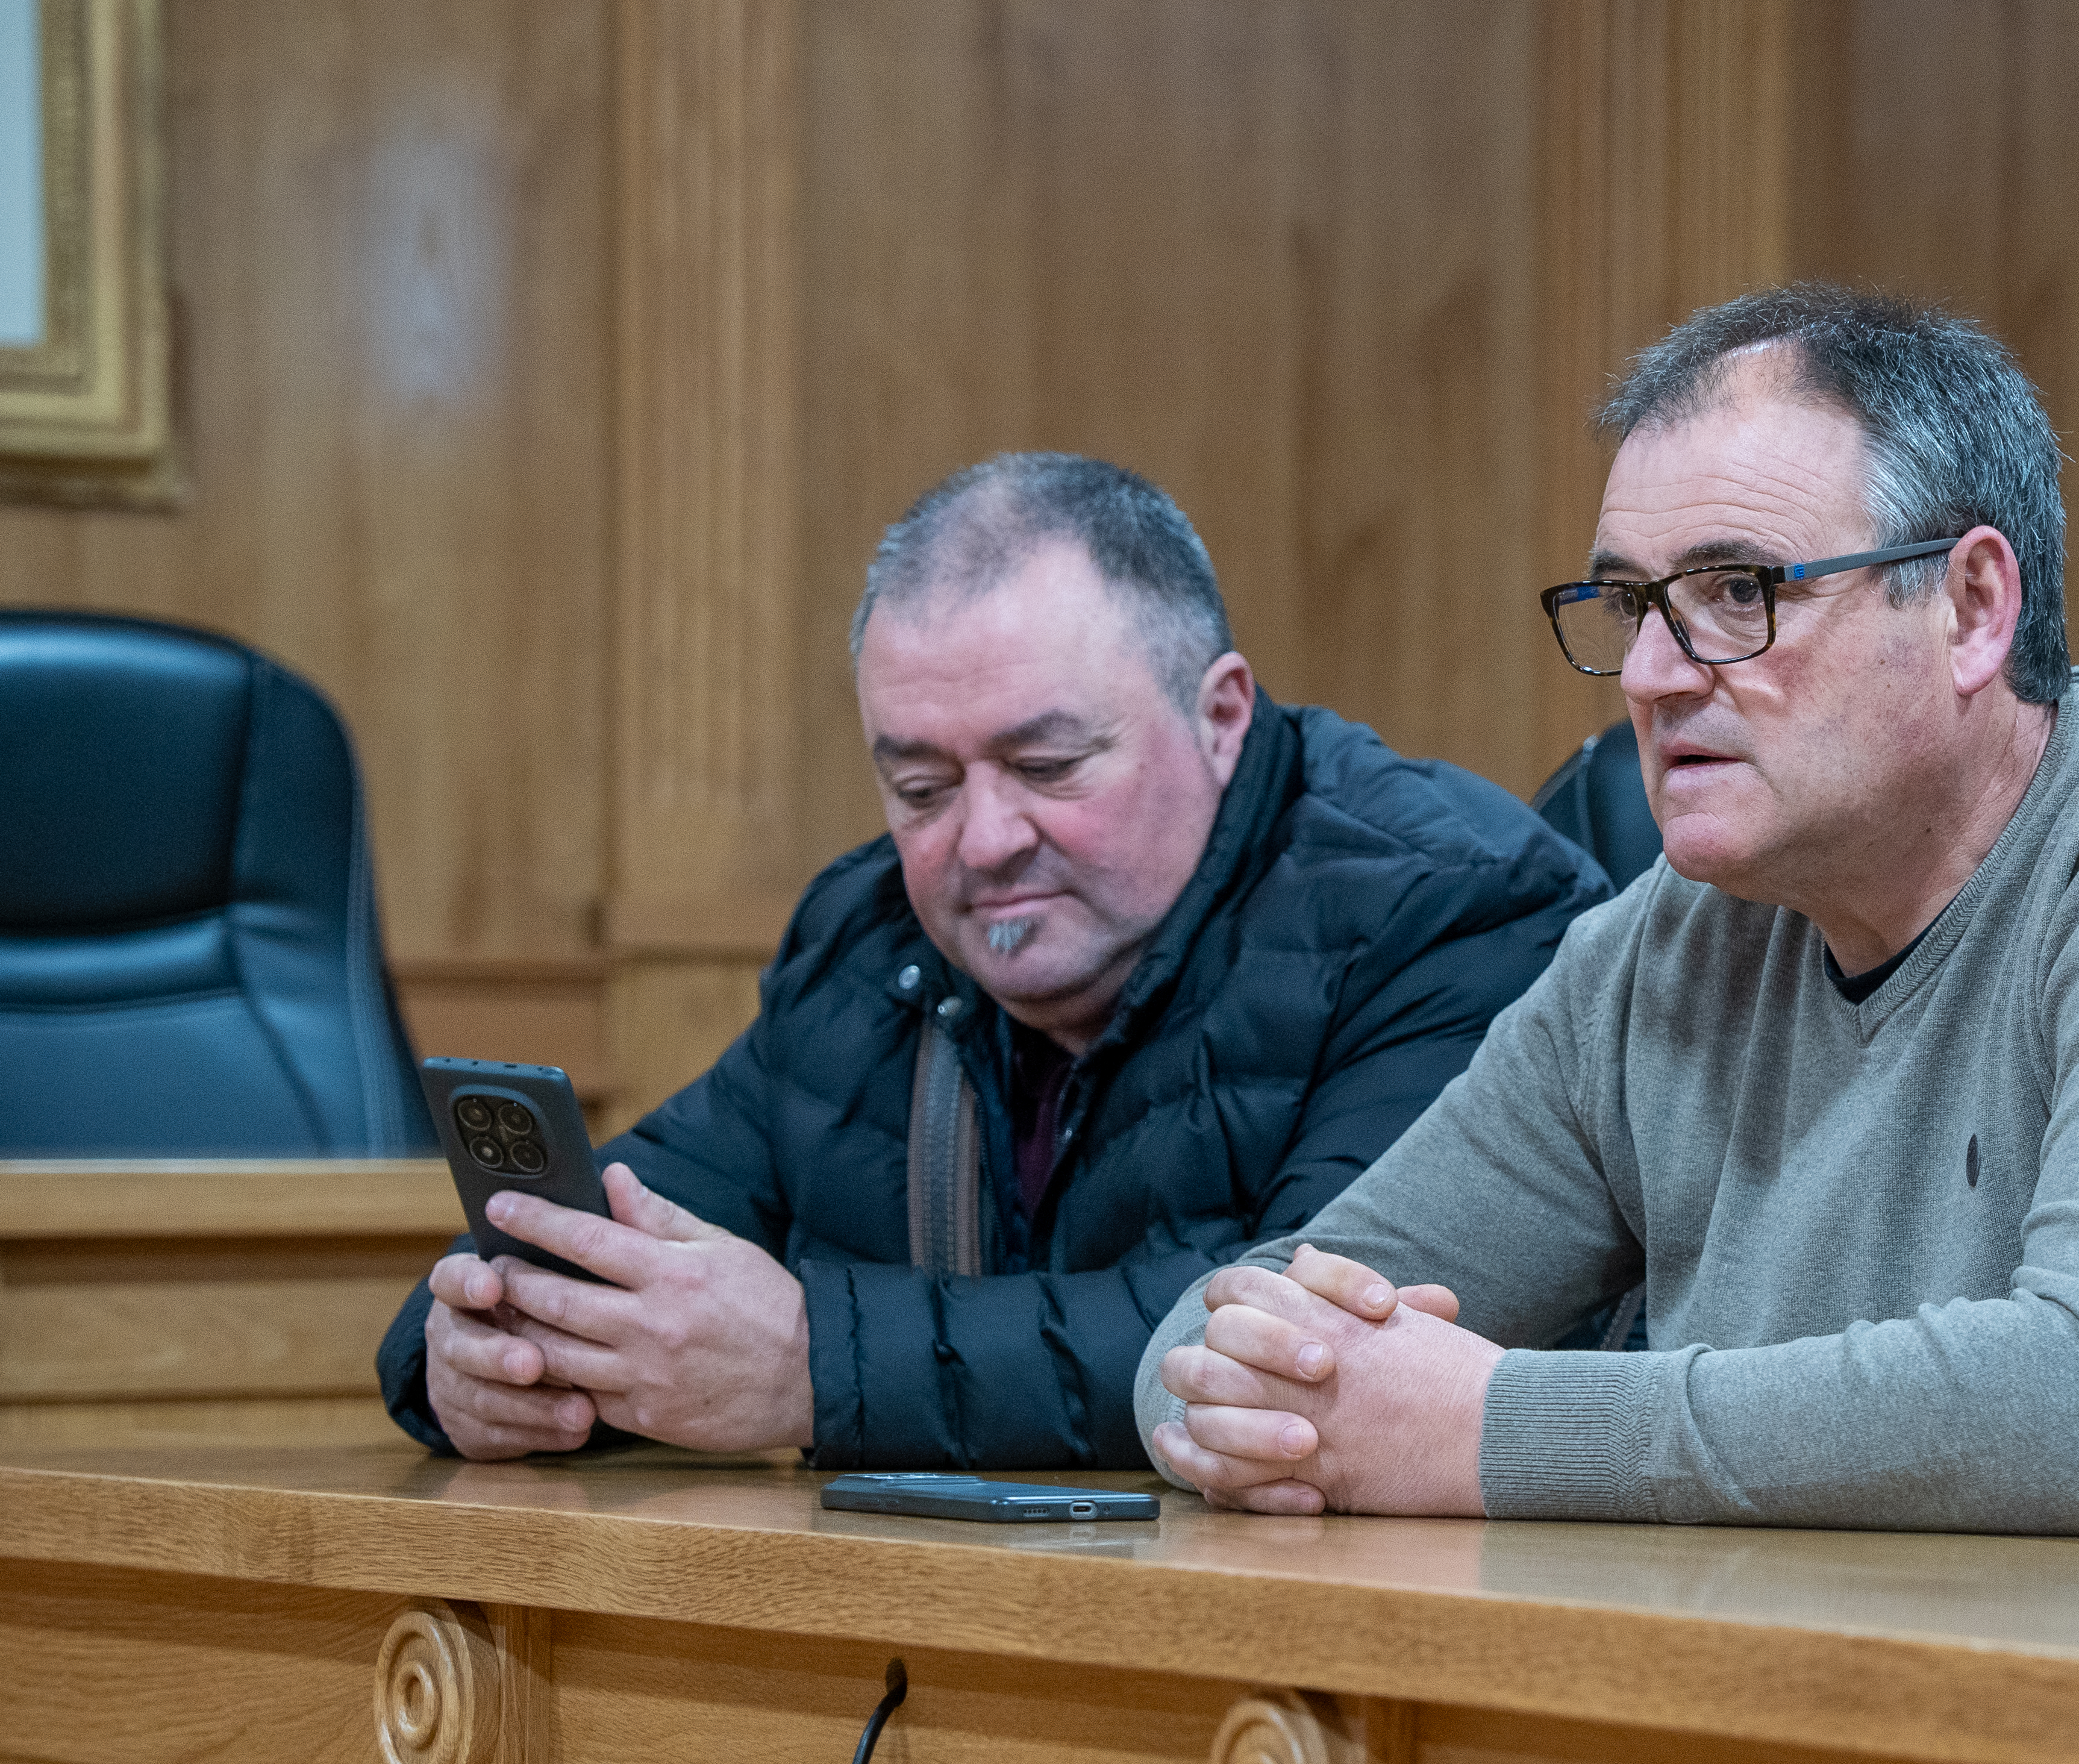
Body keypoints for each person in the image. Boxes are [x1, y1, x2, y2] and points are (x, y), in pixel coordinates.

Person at [1135, 285, 2079, 1539]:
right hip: (1796, 1688)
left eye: (1739, 592)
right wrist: (1238, 1386)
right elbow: (1234, 1325)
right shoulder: (1668, 938)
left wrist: (1490, 1429)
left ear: (1972, 606)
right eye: (1628, 603)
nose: (1654, 676)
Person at [380, 453, 1607, 1468]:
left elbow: (1304, 1349)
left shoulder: (1452, 903)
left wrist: (813, 1368)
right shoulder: (871, 932)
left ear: (1220, 716)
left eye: (1048, 767)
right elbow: (625, 1228)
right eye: (918, 786)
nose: (981, 841)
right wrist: (482, 1357)